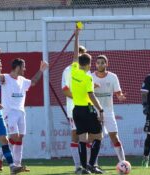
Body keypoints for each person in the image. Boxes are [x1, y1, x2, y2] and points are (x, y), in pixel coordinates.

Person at [0, 51, 48, 171]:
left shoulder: (22, 80)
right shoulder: (5, 78)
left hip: (21, 112)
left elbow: (33, 82)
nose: (25, 68)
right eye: (23, 66)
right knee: (14, 136)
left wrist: (41, 70)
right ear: (18, 67)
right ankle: (10, 163)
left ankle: (13, 163)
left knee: (20, 138)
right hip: (9, 113)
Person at [70, 28, 104, 174]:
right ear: (89, 64)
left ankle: (84, 168)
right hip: (87, 109)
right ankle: (91, 164)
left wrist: (76, 36)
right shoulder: (88, 77)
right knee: (98, 136)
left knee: (82, 138)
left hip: (76, 109)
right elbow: (91, 95)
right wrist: (100, 109)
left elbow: (75, 55)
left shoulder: (73, 71)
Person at [91, 55, 126, 162]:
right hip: (94, 112)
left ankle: (123, 162)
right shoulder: (90, 77)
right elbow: (86, 94)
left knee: (114, 136)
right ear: (95, 64)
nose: (100, 64)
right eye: (98, 63)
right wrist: (92, 87)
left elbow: (118, 92)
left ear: (107, 64)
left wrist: (120, 96)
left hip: (108, 111)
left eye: (103, 62)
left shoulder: (113, 77)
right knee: (94, 139)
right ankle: (92, 164)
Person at [62, 43, 88, 174]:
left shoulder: (87, 71)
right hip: (74, 109)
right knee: (76, 136)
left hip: (88, 109)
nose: (81, 56)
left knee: (88, 137)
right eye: (79, 53)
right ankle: (78, 166)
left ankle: (89, 165)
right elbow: (65, 90)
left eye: (83, 53)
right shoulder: (68, 70)